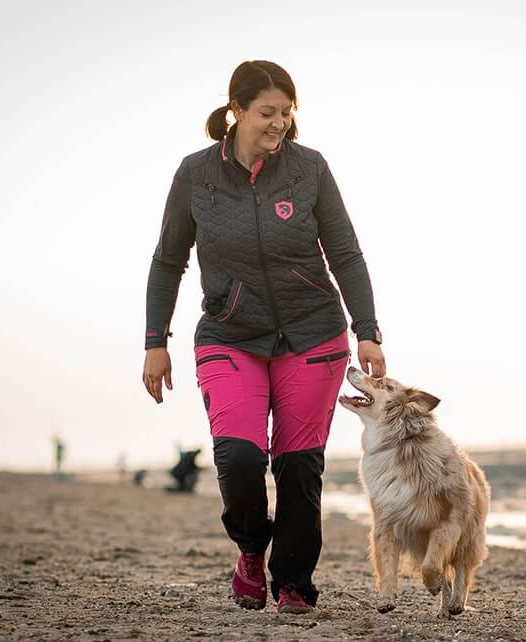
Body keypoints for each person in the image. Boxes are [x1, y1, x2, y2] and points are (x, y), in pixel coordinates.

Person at [141, 60, 385, 614]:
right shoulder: (194, 176)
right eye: (267, 113)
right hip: (231, 335)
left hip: (313, 335)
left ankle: (294, 582)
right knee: (240, 459)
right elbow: (166, 261)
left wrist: (366, 331)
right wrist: (156, 340)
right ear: (236, 111)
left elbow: (345, 254)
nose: (279, 124)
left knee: (299, 467)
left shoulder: (309, 170)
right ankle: (251, 548)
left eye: (286, 113)